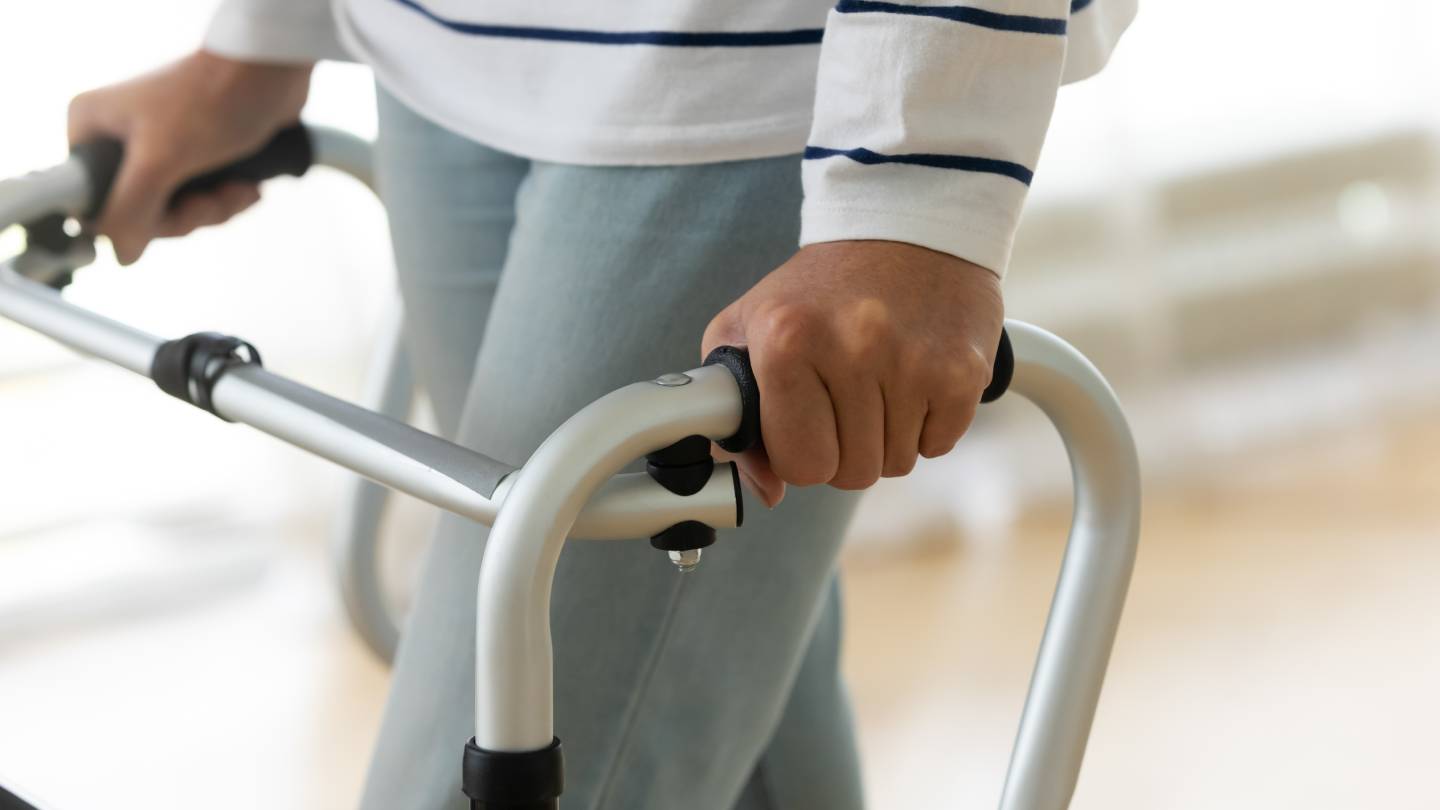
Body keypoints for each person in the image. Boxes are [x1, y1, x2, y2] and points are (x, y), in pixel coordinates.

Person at [69, 0, 1134, 806]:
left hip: (747, 69)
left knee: (496, 749)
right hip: (442, 51)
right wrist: (261, 35)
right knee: (701, 674)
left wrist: (912, 189)